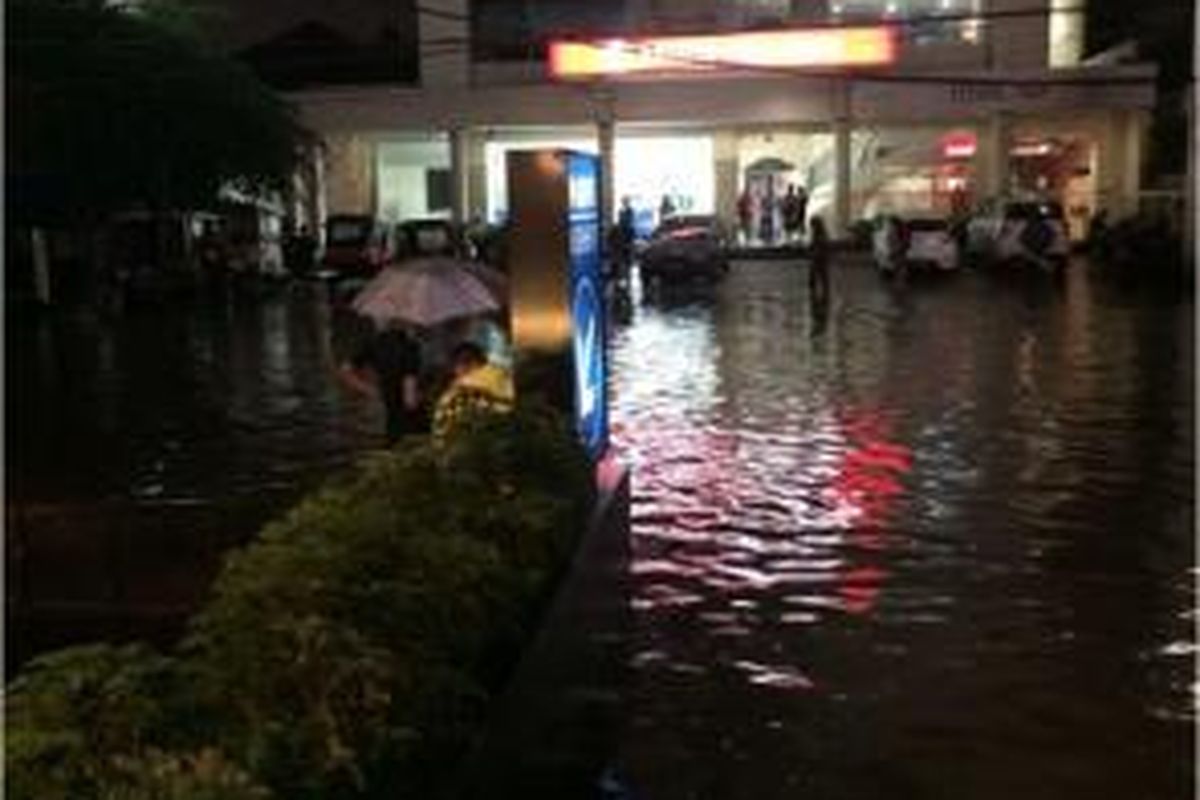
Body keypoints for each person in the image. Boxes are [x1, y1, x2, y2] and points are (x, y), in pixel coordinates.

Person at [340, 321, 424, 445]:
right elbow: (409, 398)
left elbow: (345, 370)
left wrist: (369, 390)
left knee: (393, 443)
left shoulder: (374, 343)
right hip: (411, 421)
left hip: (389, 411)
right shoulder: (410, 346)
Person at [432, 341, 515, 445]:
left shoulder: (458, 392)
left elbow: (441, 432)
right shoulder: (505, 378)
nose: (455, 373)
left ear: (466, 365)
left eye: (455, 368)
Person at [808, 216, 831, 301]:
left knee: (819, 274)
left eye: (812, 225)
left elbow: (820, 246)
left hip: (819, 257)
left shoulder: (820, 235)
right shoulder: (818, 233)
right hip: (819, 257)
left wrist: (814, 252)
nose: (811, 227)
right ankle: (819, 292)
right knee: (820, 274)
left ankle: (821, 293)